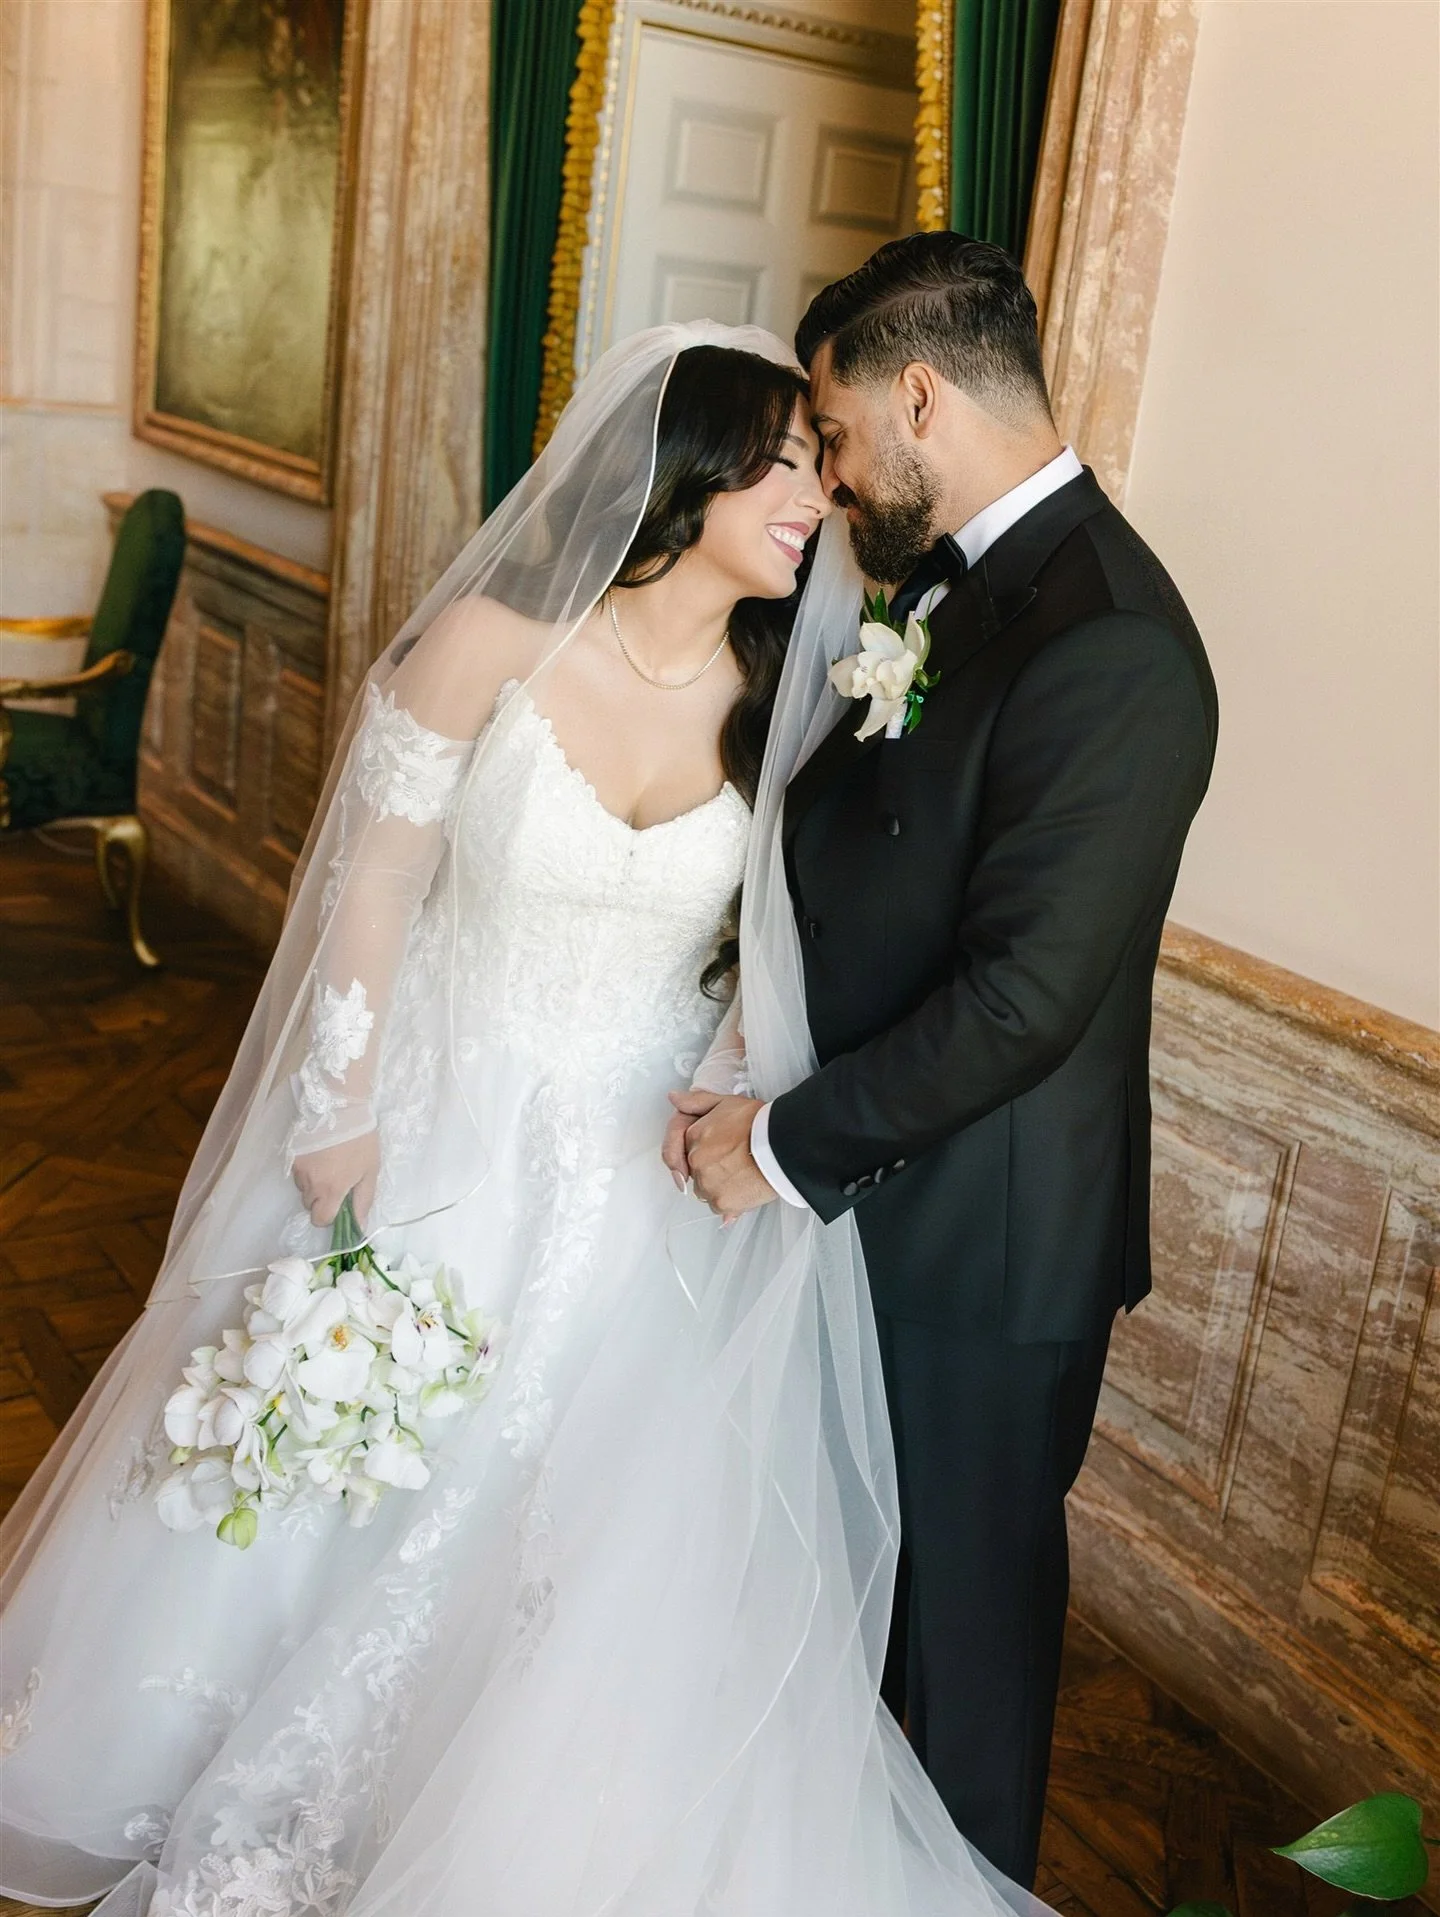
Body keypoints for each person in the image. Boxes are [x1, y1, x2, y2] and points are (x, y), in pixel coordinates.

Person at [0, 323, 1045, 1917]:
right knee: (330, 1476)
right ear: (678, 474)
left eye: (816, 467)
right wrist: (337, 1107)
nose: (813, 498)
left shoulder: (792, 707)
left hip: (643, 1180)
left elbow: (784, 942)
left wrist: (745, 1085)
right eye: (776, 462)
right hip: (440, 1124)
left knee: (568, 1546)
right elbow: (379, 879)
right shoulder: (491, 641)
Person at [669, 235, 1219, 1890]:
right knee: (855, 1613)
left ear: (920, 396)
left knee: (964, 1665)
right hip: (879, 1205)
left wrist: (778, 1142)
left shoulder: (1112, 636)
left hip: (981, 1247)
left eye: (834, 435)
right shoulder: (957, 586)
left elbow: (1024, 999)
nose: (829, 480)